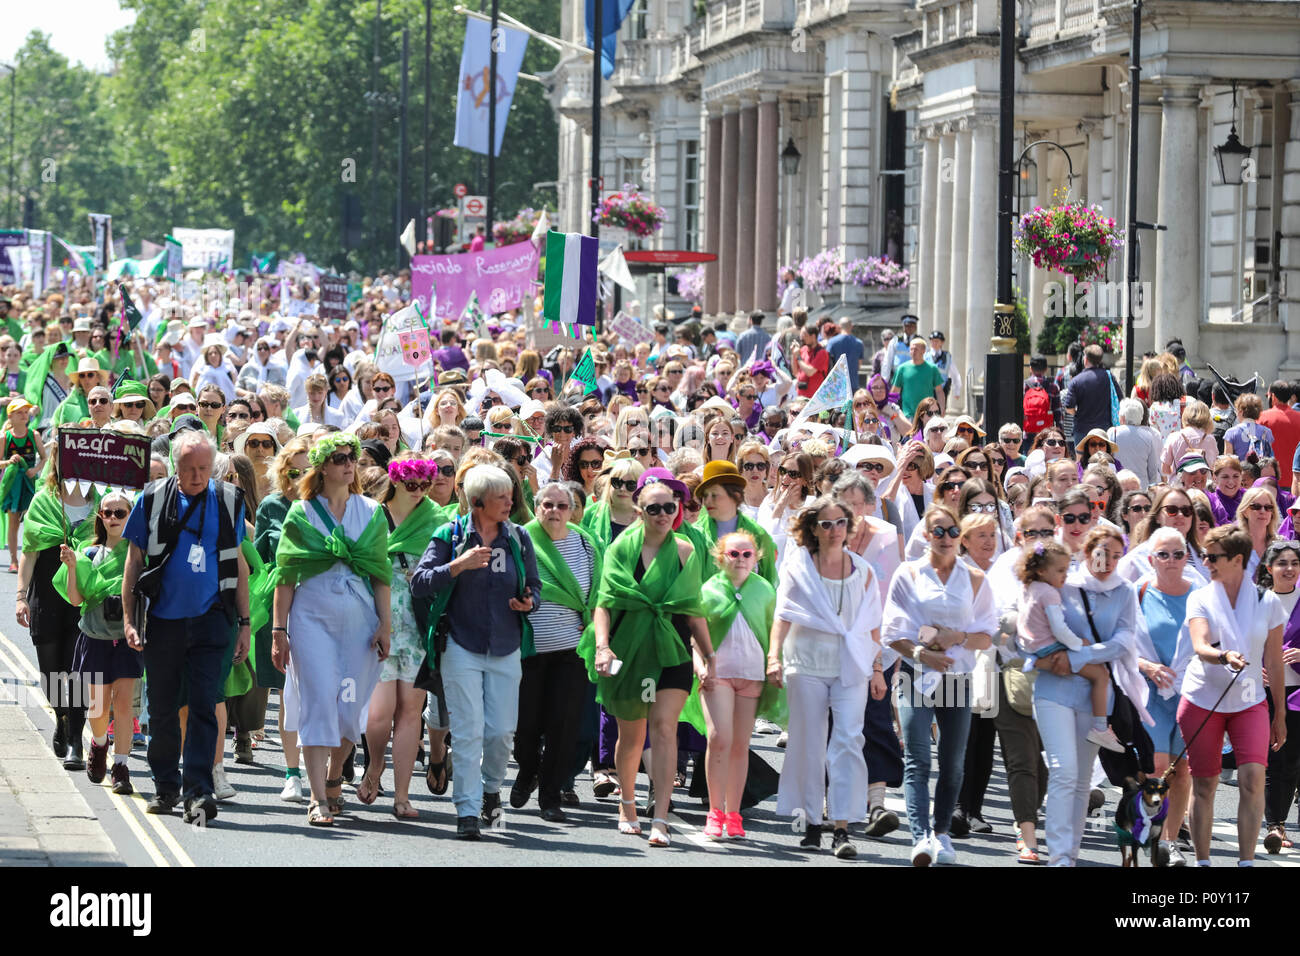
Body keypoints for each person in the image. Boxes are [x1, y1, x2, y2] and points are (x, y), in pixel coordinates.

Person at [121, 429, 251, 825]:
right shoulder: (152, 497)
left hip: (212, 620)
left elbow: (239, 565)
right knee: (161, 710)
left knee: (203, 706)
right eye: (189, 468)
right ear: (175, 465)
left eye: (204, 468)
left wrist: (243, 623)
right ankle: (165, 786)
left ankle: (198, 791)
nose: (197, 476)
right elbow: (134, 561)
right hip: (162, 621)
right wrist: (129, 619)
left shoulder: (230, 500)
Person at [580, 468, 711, 848]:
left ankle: (661, 817)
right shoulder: (622, 548)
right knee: (632, 735)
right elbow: (604, 602)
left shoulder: (686, 550)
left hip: (671, 649)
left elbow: (693, 608)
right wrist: (602, 646)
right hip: (629, 650)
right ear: (639, 511)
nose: (663, 514)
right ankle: (626, 803)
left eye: (670, 507)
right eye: (654, 508)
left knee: (665, 729)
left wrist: (709, 655)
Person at [410, 463, 541, 840]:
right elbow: (420, 584)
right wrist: (457, 566)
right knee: (467, 732)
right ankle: (466, 811)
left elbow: (534, 583)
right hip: (460, 646)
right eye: (502, 496)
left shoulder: (517, 538)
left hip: (506, 646)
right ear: (479, 501)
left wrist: (529, 601)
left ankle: (490, 789)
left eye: (510, 494)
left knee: (500, 732)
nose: (510, 501)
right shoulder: (449, 535)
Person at [271, 432, 392, 826]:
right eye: (338, 458)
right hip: (311, 619)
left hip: (359, 621)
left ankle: (335, 772)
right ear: (322, 467)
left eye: (351, 458)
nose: (347, 464)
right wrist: (278, 631)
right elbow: (286, 576)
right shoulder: (301, 512)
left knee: (350, 707)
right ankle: (318, 799)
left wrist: (385, 624)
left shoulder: (371, 512)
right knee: (321, 700)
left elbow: (380, 575)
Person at [768, 498, 882, 858]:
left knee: (849, 739)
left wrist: (877, 669)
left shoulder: (863, 571)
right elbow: (783, 614)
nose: (834, 531)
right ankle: (811, 821)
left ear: (848, 528)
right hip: (805, 663)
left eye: (839, 523)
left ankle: (842, 828)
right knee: (808, 743)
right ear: (813, 529)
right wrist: (773, 657)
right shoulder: (799, 566)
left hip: (850, 664)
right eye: (826, 524)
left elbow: (872, 624)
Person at [1181, 527, 1289, 866]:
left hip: (1250, 700)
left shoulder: (1267, 601)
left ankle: (1246, 862)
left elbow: (1273, 659)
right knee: (1205, 784)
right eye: (1206, 556)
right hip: (1203, 700)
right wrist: (1223, 655)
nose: (1207, 562)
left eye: (1214, 557)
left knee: (1253, 778)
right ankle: (1203, 861)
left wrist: (1280, 715)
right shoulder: (1200, 596)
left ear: (1237, 560)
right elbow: (1199, 645)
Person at [1032, 526, 1139, 866]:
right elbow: (1034, 627)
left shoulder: (1125, 591)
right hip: (1054, 688)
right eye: (1103, 553)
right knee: (1063, 770)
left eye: (1117, 556)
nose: (1109, 562)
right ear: (1088, 550)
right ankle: (1059, 855)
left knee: (1080, 779)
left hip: (1096, 695)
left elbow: (1124, 641)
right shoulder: (1063, 583)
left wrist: (1078, 657)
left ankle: (1070, 853)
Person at [358, 455, 446, 820]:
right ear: (396, 482)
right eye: (412, 484)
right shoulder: (371, 516)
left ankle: (403, 796)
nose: (420, 491)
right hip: (374, 626)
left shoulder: (438, 519)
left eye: (425, 485)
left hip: (418, 628)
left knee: (411, 712)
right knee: (379, 714)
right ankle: (375, 765)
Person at [516, 482, 601, 822]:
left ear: (573, 510)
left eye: (562, 506)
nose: (554, 511)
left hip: (572, 649)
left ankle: (550, 796)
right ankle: (527, 769)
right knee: (524, 726)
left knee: (562, 726)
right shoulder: (521, 539)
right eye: (547, 505)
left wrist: (593, 626)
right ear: (537, 508)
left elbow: (597, 592)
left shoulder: (586, 543)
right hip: (529, 649)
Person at [56, 490, 140, 794]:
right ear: (100, 517)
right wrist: (72, 567)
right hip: (94, 636)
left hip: (128, 638)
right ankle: (99, 743)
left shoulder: (138, 553)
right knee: (98, 706)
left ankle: (121, 766)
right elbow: (76, 599)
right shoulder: (89, 554)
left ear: (131, 515)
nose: (114, 518)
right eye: (108, 512)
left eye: (121, 512)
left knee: (124, 705)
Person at [16, 461, 98, 771]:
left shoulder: (100, 503)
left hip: (83, 597)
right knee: (52, 674)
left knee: (77, 671)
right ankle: (61, 715)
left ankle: (76, 741)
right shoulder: (43, 500)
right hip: (46, 596)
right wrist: (21, 596)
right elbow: (30, 551)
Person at [1015, 539, 1124, 753]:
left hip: (1032, 646)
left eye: (1066, 569)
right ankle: (1101, 727)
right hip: (1050, 648)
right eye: (1060, 570)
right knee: (1100, 675)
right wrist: (1079, 645)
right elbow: (1059, 628)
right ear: (1042, 571)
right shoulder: (1050, 593)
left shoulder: (1029, 587)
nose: (1065, 575)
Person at [1133, 526, 1196, 867]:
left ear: (1187, 557)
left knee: (1183, 770)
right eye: (1163, 555)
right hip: (1150, 691)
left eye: (1177, 554)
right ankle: (1153, 834)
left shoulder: (1201, 592)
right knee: (1159, 768)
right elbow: (1122, 641)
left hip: (1190, 692)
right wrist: (1146, 665)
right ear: (1150, 559)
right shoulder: (1138, 590)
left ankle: (1170, 842)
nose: (1171, 561)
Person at [1259, 540, 1300, 853]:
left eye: (1294, 563)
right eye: (1282, 563)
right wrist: (1252, 668)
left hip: (1298, 691)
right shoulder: (1258, 600)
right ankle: (1275, 824)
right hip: (1267, 693)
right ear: (1268, 568)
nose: (1289, 569)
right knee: (1278, 760)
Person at [2, 398, 45, 572]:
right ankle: (14, 560)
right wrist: (8, 462)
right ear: (10, 416)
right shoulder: (5, 436)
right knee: (13, 522)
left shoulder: (33, 435)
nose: (24, 415)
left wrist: (35, 470)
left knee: (31, 521)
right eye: (19, 412)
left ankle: (31, 557)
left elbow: (44, 457)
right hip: (12, 484)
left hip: (29, 483)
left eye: (26, 412)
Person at [1061, 345, 1119, 440]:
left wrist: (1078, 414)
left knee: (1082, 455)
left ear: (1086, 359)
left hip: (1082, 429)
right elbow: (1119, 399)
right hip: (1104, 429)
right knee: (1103, 455)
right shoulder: (1109, 377)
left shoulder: (1076, 380)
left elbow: (1069, 408)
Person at [1108, 398, 1161, 488]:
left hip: (1119, 485)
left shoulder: (1113, 432)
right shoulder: (1148, 436)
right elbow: (1152, 470)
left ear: (1123, 416)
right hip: (1141, 486)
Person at [890, 337, 945, 419]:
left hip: (928, 415)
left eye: (916, 349)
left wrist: (941, 410)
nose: (913, 352)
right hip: (908, 415)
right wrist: (892, 414)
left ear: (923, 351)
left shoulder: (932, 369)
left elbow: (939, 391)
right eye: (911, 349)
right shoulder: (902, 369)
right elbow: (894, 393)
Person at [1259, 380, 1300, 487]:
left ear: (1273, 396)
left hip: (1269, 482)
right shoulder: (1298, 418)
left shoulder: (1262, 418)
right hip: (1295, 482)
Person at [827, 317, 864, 393]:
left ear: (839, 326)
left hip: (836, 384)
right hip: (853, 383)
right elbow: (859, 365)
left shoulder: (832, 342)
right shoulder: (859, 343)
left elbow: (827, 362)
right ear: (851, 326)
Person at [795, 324, 829, 399]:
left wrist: (798, 356)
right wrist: (793, 353)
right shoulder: (803, 349)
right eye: (801, 334)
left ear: (813, 336)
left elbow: (810, 372)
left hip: (815, 398)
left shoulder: (822, 353)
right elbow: (795, 372)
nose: (801, 338)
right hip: (801, 395)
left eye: (804, 334)